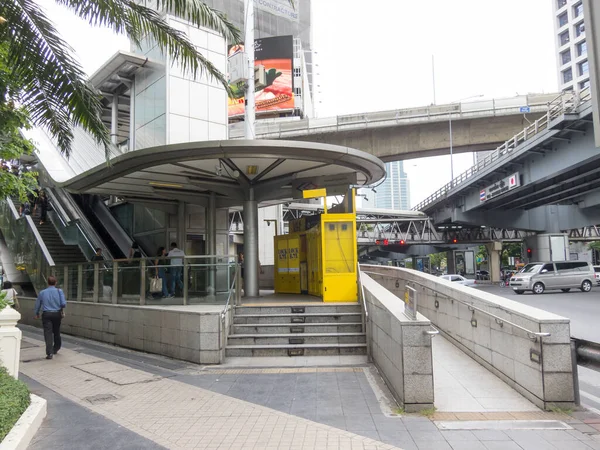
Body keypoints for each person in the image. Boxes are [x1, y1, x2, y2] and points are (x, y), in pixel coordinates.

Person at [34, 276, 67, 360]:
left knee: (48, 333)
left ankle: (49, 353)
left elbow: (38, 304)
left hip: (46, 314)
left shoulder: (42, 292)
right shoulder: (59, 291)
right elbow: (63, 304)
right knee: (56, 331)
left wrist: (36, 313)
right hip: (57, 314)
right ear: (55, 283)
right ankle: (56, 347)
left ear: (47, 283)